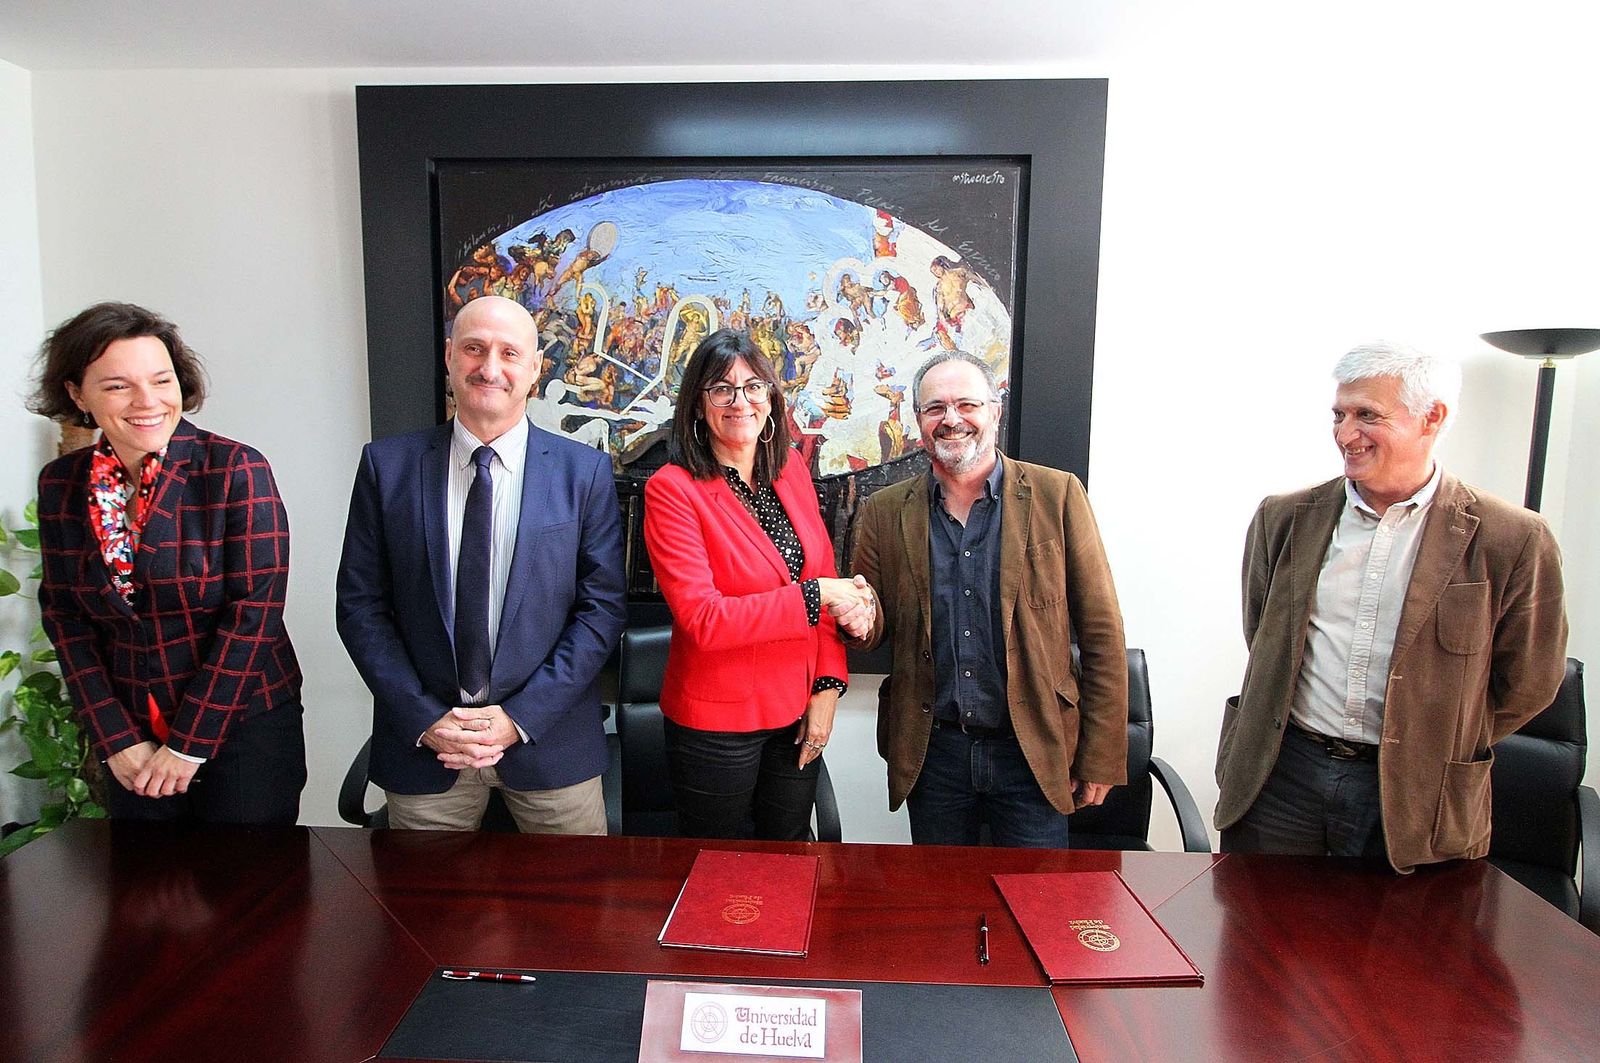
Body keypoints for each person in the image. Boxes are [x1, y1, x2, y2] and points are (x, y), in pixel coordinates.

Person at [1215, 342, 1568, 872]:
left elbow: (1529, 682)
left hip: (1418, 792)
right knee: (1256, 924)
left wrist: (1434, 734)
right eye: (1339, 415)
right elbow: (1263, 634)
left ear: (1432, 417)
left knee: (1402, 928)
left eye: (1367, 415)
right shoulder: (1284, 517)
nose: (1344, 434)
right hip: (1282, 778)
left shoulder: (1512, 538)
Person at [336, 295, 626, 833]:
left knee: (574, 892)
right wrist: (425, 717)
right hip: (429, 748)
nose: (490, 368)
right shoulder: (387, 466)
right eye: (474, 349)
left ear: (535, 369)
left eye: (509, 353)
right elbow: (360, 608)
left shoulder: (583, 473)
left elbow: (602, 611)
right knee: (421, 892)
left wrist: (521, 718)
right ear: (450, 357)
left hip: (550, 746)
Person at [31, 302, 305, 823]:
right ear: (77, 394)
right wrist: (114, 737)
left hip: (241, 725)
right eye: (118, 386)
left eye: (162, 380)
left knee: (253, 874)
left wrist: (187, 746)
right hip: (130, 738)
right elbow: (65, 618)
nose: (147, 401)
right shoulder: (60, 484)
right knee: (146, 875)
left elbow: (254, 615)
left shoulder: (234, 469)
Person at [849, 350, 1127, 847]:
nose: (951, 419)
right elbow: (873, 628)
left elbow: (1102, 633)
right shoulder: (884, 511)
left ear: (995, 411)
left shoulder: (1058, 495)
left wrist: (1101, 756)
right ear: (918, 420)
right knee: (942, 892)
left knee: (1035, 890)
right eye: (935, 408)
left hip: (1033, 749)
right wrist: (857, 619)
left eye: (967, 404)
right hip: (934, 754)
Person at [643, 329, 873, 840]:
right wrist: (817, 595)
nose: (739, 401)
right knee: (719, 869)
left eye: (753, 386)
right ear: (698, 404)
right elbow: (704, 620)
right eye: (721, 389)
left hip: (797, 709)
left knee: (789, 855)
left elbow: (824, 581)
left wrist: (828, 686)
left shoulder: (790, 470)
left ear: (771, 397)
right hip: (716, 724)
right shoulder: (672, 490)